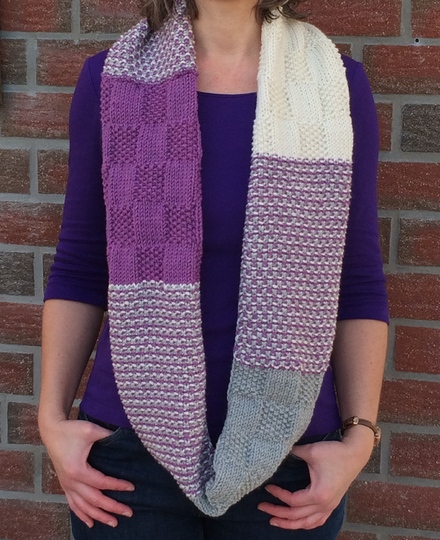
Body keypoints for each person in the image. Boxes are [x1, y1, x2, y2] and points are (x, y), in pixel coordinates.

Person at [38, 0, 389, 538]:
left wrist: (360, 435)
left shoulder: (335, 86)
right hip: (129, 454)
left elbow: (357, 277)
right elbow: (81, 265)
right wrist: (51, 421)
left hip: (289, 452)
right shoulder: (112, 81)